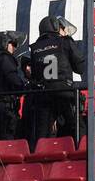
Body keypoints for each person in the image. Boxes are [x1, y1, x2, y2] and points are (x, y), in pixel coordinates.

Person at [24, 16, 85, 146]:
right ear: (56, 27)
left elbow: (34, 76)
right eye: (62, 28)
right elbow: (81, 68)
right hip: (64, 91)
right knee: (77, 128)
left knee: (42, 136)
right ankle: (83, 154)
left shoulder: (34, 48)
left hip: (44, 95)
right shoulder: (65, 41)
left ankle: (41, 159)